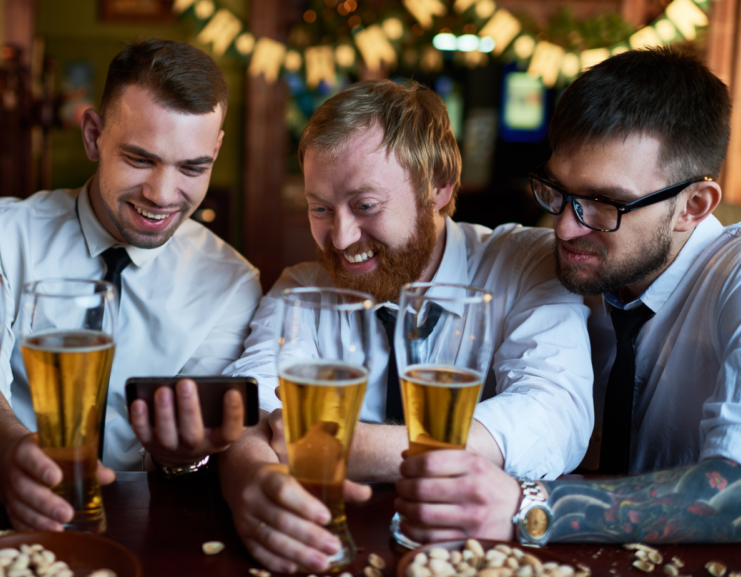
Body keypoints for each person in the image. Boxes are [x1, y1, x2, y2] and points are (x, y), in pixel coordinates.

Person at [218, 79, 594, 573]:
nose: (341, 237)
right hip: (335, 547)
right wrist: (249, 478)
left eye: (366, 205)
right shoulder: (302, 287)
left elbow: (553, 413)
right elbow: (250, 402)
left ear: (439, 187)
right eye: (320, 209)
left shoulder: (525, 263)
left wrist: (348, 449)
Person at [396, 45, 741, 545]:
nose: (562, 229)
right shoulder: (560, 271)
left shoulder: (733, 276)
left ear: (693, 205)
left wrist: (530, 507)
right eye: (557, 191)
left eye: (604, 204)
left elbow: (733, 493)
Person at [0, 38, 262, 531]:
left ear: (215, 151)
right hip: (3, 514)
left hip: (145, 525)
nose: (162, 195)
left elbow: (191, 455)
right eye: (140, 159)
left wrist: (179, 457)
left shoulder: (233, 283)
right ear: (93, 135)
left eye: (192, 167)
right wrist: (13, 450)